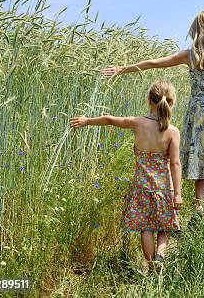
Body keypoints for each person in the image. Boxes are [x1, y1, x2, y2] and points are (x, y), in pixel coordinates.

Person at [102, 10, 204, 219]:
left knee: (200, 167)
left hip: (197, 116)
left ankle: (199, 212)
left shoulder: (190, 55)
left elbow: (153, 63)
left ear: (198, 29)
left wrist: (122, 69)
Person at [70, 81, 182, 274]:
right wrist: (178, 193)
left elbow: (110, 119)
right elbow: (175, 163)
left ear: (148, 100)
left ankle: (151, 266)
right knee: (165, 226)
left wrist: (87, 120)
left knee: (145, 228)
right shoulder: (172, 132)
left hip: (141, 187)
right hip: (164, 187)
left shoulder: (137, 123)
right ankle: (161, 256)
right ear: (171, 104)